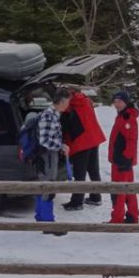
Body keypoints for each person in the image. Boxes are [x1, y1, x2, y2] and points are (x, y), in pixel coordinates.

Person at [60, 89, 106, 211]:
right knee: (93, 169)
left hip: (81, 142)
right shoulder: (85, 100)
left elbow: (65, 128)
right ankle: (96, 197)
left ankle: (76, 202)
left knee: (79, 172)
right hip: (94, 138)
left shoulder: (69, 108)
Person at [35, 87, 71, 235]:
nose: (68, 105)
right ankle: (47, 223)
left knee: (44, 187)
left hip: (50, 156)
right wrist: (60, 146)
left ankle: (41, 218)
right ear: (62, 101)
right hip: (47, 157)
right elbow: (44, 140)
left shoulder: (54, 115)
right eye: (68, 101)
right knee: (48, 188)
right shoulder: (49, 115)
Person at [108, 89, 139, 224]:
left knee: (119, 191)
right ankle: (132, 216)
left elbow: (131, 140)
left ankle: (117, 218)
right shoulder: (123, 115)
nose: (117, 104)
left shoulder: (127, 118)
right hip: (122, 160)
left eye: (120, 101)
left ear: (126, 102)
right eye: (115, 101)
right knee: (128, 189)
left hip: (122, 162)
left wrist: (126, 159)